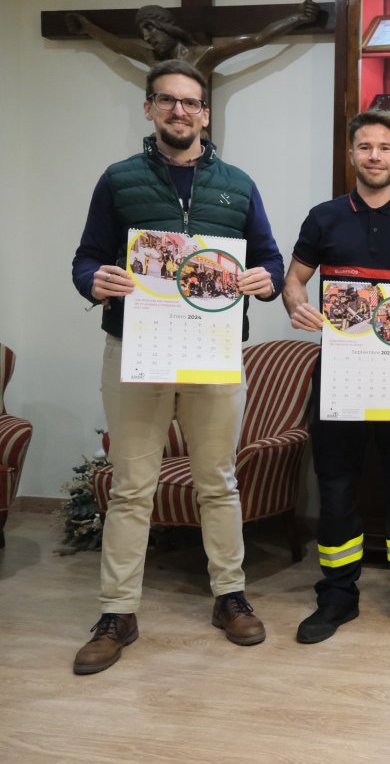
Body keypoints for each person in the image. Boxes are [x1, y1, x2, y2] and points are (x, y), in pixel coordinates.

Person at [69, 59, 284, 675]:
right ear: (149, 108)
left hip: (213, 353)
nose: (179, 111)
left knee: (218, 480)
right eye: (167, 100)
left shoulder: (238, 184)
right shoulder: (118, 180)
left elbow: (270, 261)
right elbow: (86, 259)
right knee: (132, 486)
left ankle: (229, 596)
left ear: (205, 114)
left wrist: (265, 280)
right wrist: (96, 281)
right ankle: (118, 612)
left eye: (190, 102)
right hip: (136, 351)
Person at [282, 109, 390, 644]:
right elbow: (293, 280)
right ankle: (337, 595)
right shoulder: (324, 218)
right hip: (339, 375)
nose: (375, 156)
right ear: (352, 154)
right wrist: (296, 305)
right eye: (365, 147)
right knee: (336, 485)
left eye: (384, 147)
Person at [65, 1, 321, 84]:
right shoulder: (153, 59)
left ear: (167, 27)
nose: (147, 38)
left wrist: (299, 18)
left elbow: (257, 39)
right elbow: (118, 45)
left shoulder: (205, 55)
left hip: (196, 140)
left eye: (150, 29)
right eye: (143, 34)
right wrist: (86, 27)